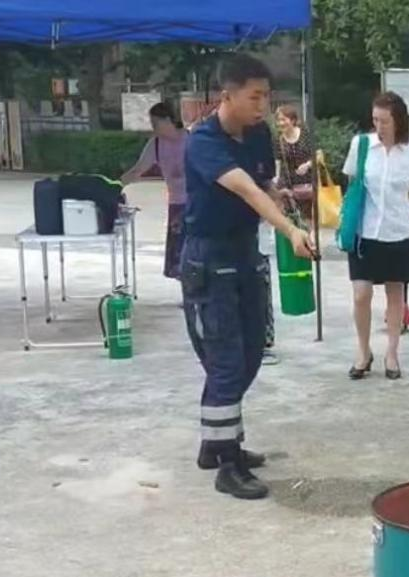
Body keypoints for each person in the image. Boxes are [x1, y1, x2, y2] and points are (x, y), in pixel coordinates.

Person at [180, 54, 316, 500]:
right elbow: (245, 188)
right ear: (227, 95)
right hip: (209, 257)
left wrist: (288, 204)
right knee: (226, 360)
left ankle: (212, 440)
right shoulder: (203, 141)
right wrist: (289, 228)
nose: (263, 105)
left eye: (266, 96)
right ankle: (227, 462)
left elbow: (265, 184)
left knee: (254, 351)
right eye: (254, 96)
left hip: (244, 253)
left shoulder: (258, 134)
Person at [344, 92, 409, 381]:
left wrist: (399, 209)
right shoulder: (362, 145)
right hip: (365, 232)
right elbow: (354, 185)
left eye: (384, 121)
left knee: (396, 294)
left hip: (399, 232)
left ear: (399, 121)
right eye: (375, 120)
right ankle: (363, 349)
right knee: (361, 294)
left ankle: (392, 352)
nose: (379, 126)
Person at [120, 102, 188, 279]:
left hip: (197, 203)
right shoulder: (156, 144)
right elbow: (138, 169)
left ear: (167, 120)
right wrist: (115, 185)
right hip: (176, 204)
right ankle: (188, 295)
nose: (153, 128)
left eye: (155, 123)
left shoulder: (191, 139)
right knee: (178, 257)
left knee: (194, 253)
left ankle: (197, 297)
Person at [273, 105, 316, 228]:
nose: (280, 123)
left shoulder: (305, 134)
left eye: (283, 119)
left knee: (308, 218)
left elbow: (317, 154)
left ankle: (310, 242)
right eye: (278, 120)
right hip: (287, 183)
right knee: (291, 219)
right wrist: (276, 179)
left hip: (306, 182)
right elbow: (278, 161)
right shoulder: (279, 140)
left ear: (292, 120)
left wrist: (307, 165)